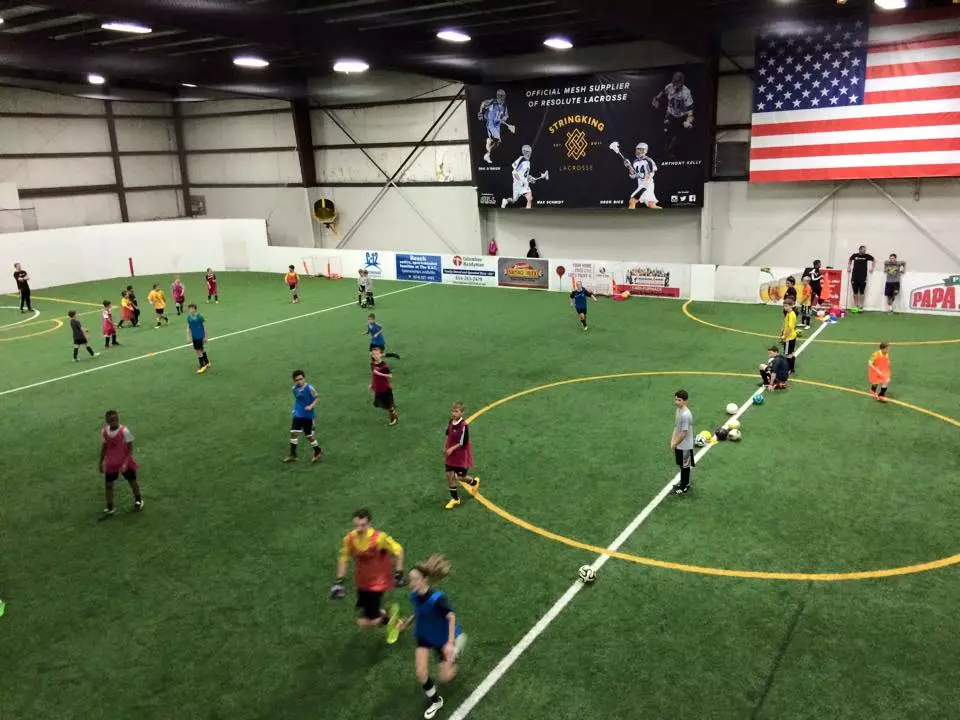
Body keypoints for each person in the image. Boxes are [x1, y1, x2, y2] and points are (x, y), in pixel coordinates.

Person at [395, 555, 467, 720]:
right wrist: (406, 623)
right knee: (421, 672)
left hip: (443, 639)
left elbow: (451, 617)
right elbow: (419, 611)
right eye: (411, 579)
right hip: (424, 636)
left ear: (425, 580)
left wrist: (449, 644)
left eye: (415, 579)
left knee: (446, 678)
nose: (411, 583)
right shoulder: (414, 595)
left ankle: (457, 647)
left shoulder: (437, 599)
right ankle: (436, 701)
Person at [330, 508, 406, 638]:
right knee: (369, 612)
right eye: (356, 525)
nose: (359, 529)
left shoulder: (379, 538)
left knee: (364, 621)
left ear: (369, 523)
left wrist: (399, 573)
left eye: (363, 525)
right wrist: (339, 582)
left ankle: (395, 623)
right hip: (362, 581)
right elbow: (344, 558)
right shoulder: (349, 539)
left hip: (379, 582)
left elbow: (398, 550)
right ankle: (392, 619)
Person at [98, 409, 144, 519]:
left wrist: (125, 463)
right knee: (108, 485)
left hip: (124, 461)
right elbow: (104, 447)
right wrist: (101, 462)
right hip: (111, 462)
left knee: (132, 481)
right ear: (107, 421)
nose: (113, 421)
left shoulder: (124, 431)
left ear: (118, 418)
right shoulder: (104, 432)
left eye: (114, 419)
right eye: (110, 420)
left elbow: (130, 448)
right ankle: (110, 508)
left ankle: (138, 500)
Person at [443, 401, 479, 509]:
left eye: (456, 411)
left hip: (460, 455)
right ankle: (455, 499)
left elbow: (462, 443)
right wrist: (445, 446)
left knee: (461, 477)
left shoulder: (463, 426)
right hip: (450, 454)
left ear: (462, 413)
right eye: (453, 411)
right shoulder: (451, 421)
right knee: (449, 475)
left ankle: (474, 483)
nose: (454, 413)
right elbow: (447, 434)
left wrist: (451, 449)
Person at [652, 71, 694, 159]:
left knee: (676, 136)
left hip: (680, 116)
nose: (675, 86)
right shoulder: (670, 86)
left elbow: (690, 110)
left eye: (677, 83)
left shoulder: (686, 92)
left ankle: (669, 151)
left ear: (682, 82)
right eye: (674, 83)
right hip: (670, 113)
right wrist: (656, 99)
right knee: (666, 132)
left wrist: (688, 121)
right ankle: (665, 147)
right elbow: (662, 92)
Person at [284, 369, 323, 463]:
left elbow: (317, 398)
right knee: (294, 433)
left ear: (304, 379)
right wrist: (295, 409)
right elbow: (297, 399)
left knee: (308, 436)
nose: (299, 381)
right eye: (297, 380)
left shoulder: (309, 388)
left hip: (307, 416)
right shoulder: (294, 388)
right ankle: (293, 455)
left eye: (301, 379)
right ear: (294, 381)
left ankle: (318, 450)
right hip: (298, 414)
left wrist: (311, 406)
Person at [477, 88, 512, 164]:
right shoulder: (492, 102)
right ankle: (487, 154)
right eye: (500, 97)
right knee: (498, 140)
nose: (501, 99)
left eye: (502, 97)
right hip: (491, 124)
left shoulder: (504, 106)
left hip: (497, 125)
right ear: (497, 96)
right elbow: (483, 104)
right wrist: (480, 113)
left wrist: (503, 119)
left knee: (498, 142)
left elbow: (506, 116)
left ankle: (489, 143)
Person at [670, 390, 694, 495]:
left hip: (685, 446)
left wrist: (675, 443)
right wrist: (672, 440)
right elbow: (676, 427)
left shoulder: (686, 415)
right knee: (681, 465)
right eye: (676, 399)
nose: (676, 402)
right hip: (679, 444)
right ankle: (682, 483)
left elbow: (684, 433)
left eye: (679, 400)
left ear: (685, 401)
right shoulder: (678, 410)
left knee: (685, 467)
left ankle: (685, 486)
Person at [625, 142, 661, 209]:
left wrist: (641, 175)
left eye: (641, 149)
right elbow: (632, 176)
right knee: (651, 205)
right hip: (641, 184)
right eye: (638, 149)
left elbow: (651, 174)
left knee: (632, 201)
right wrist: (629, 166)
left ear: (646, 151)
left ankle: (630, 218)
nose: (639, 151)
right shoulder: (635, 162)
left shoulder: (649, 160)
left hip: (646, 185)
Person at [370, 347, 399, 426]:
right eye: (374, 355)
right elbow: (374, 374)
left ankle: (394, 417)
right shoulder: (372, 364)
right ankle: (392, 408)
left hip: (385, 389)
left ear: (380, 355)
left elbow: (390, 376)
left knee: (388, 406)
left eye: (377, 354)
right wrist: (372, 384)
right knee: (377, 403)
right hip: (378, 388)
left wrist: (381, 374)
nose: (375, 356)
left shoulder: (385, 366)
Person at [502, 145, 534, 209]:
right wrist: (520, 181)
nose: (529, 153)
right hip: (517, 184)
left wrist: (530, 178)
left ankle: (528, 215)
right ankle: (505, 201)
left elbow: (525, 174)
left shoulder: (528, 162)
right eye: (527, 152)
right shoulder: (521, 160)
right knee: (514, 200)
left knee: (529, 198)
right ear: (524, 152)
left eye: (530, 152)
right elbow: (514, 172)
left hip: (525, 184)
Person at [847, 245, 875, 311]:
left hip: (863, 277)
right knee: (855, 292)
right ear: (860, 249)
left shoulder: (866, 256)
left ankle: (861, 306)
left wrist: (872, 268)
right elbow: (850, 259)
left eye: (865, 250)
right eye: (863, 250)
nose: (865, 251)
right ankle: (856, 305)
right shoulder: (854, 255)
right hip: (854, 276)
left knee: (862, 292)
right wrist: (849, 267)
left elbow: (873, 260)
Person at [186, 303, 210, 374]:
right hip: (194, 336)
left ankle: (202, 366)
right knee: (201, 349)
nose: (190, 310)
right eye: (189, 309)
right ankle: (207, 362)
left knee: (198, 351)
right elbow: (188, 328)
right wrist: (188, 337)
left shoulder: (199, 317)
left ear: (195, 309)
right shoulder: (189, 318)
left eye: (192, 308)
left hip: (200, 336)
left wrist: (205, 336)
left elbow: (204, 326)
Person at [781, 297, 798, 374]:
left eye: (786, 306)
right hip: (792, 336)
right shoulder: (789, 313)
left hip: (789, 337)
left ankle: (789, 368)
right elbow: (787, 324)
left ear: (791, 306)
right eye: (784, 306)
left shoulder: (791, 314)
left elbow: (790, 327)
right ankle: (792, 368)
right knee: (791, 352)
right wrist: (783, 328)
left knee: (788, 353)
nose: (785, 307)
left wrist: (785, 336)